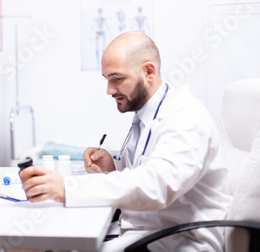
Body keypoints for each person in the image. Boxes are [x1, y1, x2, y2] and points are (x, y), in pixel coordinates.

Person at [20, 31, 230, 251]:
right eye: (107, 79)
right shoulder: (146, 114)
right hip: (148, 232)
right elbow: (147, 167)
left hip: (180, 243)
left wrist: (66, 188)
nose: (109, 90)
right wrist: (114, 166)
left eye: (117, 79)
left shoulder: (185, 118)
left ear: (149, 71)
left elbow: (156, 186)